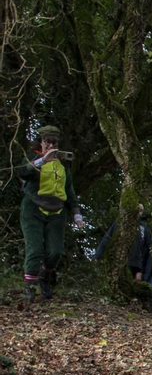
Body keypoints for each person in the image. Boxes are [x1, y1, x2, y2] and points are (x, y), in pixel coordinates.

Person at [16, 125, 80, 301]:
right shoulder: (33, 158)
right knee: (35, 249)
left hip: (57, 210)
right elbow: (22, 172)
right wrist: (42, 160)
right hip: (34, 208)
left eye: (54, 142)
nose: (51, 145)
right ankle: (29, 288)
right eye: (47, 141)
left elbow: (69, 190)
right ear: (41, 142)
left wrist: (76, 213)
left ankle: (45, 276)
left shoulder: (63, 165)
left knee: (55, 252)